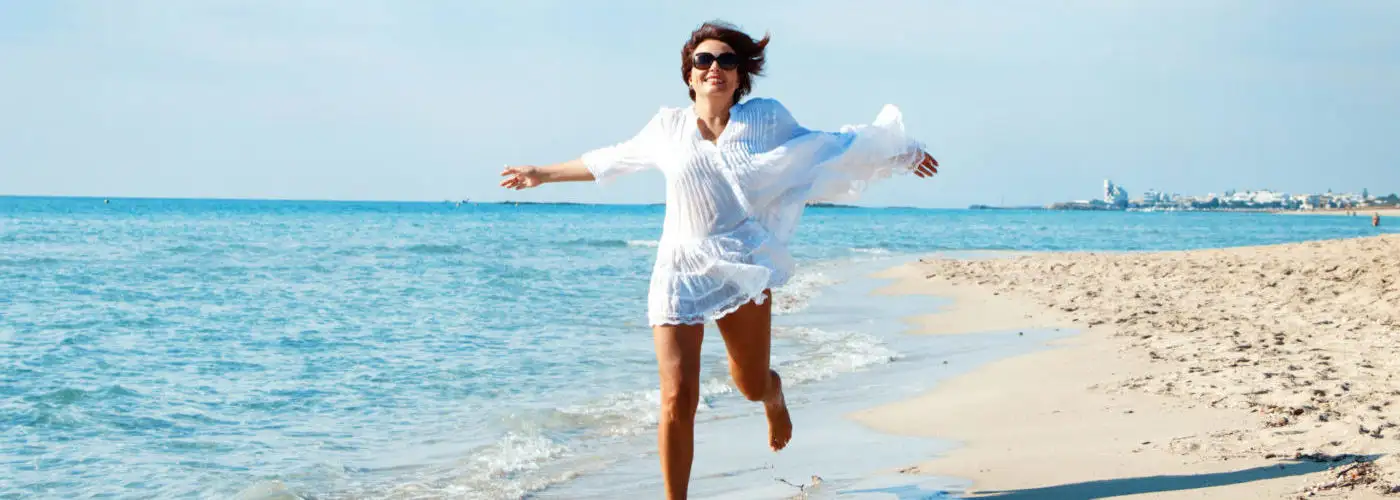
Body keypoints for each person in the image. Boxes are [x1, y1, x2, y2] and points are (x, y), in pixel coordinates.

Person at [499, 21, 939, 499]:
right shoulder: (667, 127)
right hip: (677, 271)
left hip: (740, 263)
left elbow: (825, 147)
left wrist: (900, 153)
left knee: (749, 383)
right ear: (689, 74)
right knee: (676, 398)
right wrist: (542, 173)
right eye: (704, 61)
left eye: (727, 61)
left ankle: (773, 395)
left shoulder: (765, 120)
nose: (715, 68)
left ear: (739, 76)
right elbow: (613, 159)